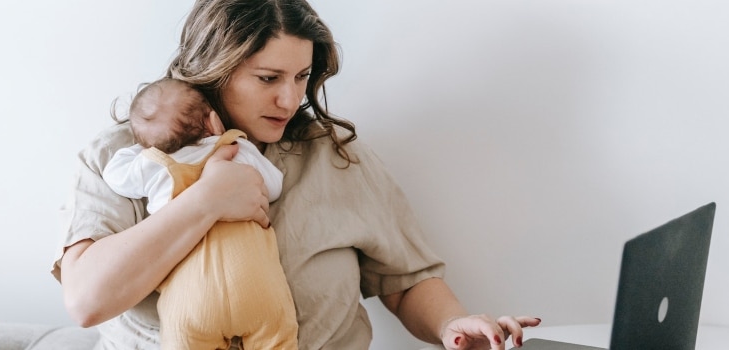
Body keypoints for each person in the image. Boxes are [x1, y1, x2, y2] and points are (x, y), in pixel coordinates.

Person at [52, 0, 541, 349]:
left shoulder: (335, 157)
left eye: (301, 77)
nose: (290, 100)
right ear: (212, 70)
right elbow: (88, 300)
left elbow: (405, 280)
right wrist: (204, 203)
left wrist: (453, 325)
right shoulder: (123, 158)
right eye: (268, 79)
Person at [101, 77, 297, 349]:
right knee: (278, 337)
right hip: (257, 290)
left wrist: (149, 146)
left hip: (191, 300)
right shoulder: (234, 148)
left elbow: (114, 175)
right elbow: (274, 186)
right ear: (214, 122)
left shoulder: (155, 164)